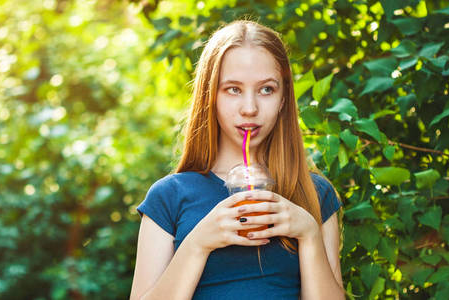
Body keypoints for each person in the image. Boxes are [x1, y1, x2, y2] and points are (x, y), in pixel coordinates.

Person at [129, 20, 344, 300]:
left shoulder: (315, 194)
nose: (250, 108)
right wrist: (198, 243)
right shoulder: (169, 197)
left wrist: (309, 235)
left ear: (283, 99)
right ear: (211, 97)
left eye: (266, 89)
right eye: (233, 89)